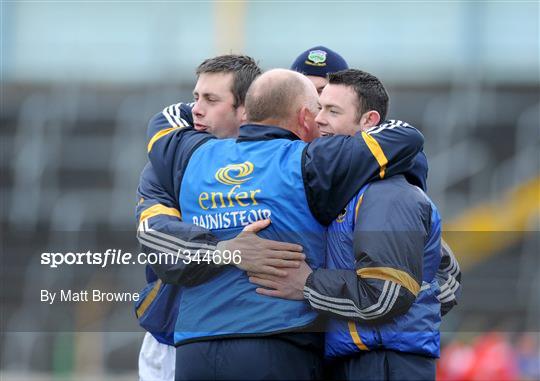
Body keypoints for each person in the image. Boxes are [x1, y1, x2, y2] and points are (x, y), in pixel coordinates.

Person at [143, 68, 423, 380]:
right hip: (278, 343)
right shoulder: (314, 160)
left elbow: (162, 122)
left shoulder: (190, 154)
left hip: (194, 349)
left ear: (247, 111)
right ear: (305, 117)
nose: (320, 120)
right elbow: (405, 136)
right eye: (318, 110)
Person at [248, 69, 461, 381]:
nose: (320, 119)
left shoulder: (387, 192)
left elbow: (390, 294)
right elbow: (440, 277)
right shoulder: (352, 190)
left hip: (384, 362)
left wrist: (309, 284)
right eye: (319, 108)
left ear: (369, 122)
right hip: (363, 357)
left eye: (333, 111)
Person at [136, 55, 307, 381]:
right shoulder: (165, 168)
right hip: (173, 341)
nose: (196, 109)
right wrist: (228, 250)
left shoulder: (285, 162)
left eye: (211, 100)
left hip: (267, 343)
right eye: (196, 97)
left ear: (246, 110)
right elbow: (156, 238)